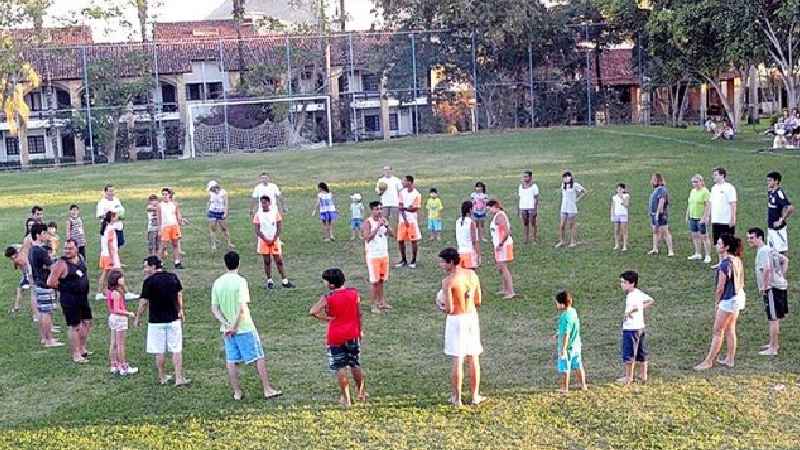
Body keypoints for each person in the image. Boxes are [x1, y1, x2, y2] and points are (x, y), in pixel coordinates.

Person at [211, 251, 282, 400]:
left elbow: (215, 309)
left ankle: (237, 392)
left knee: (232, 361)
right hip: (244, 327)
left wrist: (226, 324)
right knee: (258, 357)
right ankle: (267, 389)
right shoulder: (240, 281)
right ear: (238, 263)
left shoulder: (218, 282)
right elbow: (241, 307)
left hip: (227, 330)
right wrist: (235, 326)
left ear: (225, 264)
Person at [309, 268, 366, 407]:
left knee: (340, 367)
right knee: (355, 364)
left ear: (331, 285)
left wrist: (327, 318)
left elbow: (313, 311)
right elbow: (359, 314)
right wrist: (360, 330)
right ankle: (361, 392)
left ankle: (346, 399)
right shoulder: (353, 293)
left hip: (335, 336)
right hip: (353, 333)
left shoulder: (328, 297)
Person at [437, 247, 485, 407]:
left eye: (443, 262)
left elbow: (449, 309)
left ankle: (457, 398)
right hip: (471, 317)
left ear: (450, 262)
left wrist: (439, 305)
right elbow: (478, 300)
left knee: (457, 359)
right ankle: (475, 396)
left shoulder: (448, 282)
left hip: (456, 320)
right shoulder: (472, 275)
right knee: (473, 357)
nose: (441, 265)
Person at [134, 256, 190, 386]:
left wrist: (138, 317)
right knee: (176, 349)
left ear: (153, 266)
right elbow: (179, 294)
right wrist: (180, 310)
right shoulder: (173, 277)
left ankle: (162, 376)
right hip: (173, 319)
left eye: (146, 266)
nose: (145, 269)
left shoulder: (149, 282)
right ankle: (179, 378)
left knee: (159, 350)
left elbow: (143, 302)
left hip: (156, 321)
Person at [694, 234, 745, 370]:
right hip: (738, 297)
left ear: (726, 247)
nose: (716, 244)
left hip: (728, 300)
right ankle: (730, 359)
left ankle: (709, 361)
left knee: (718, 331)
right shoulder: (737, 260)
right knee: (730, 329)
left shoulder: (724, 264)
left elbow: (720, 288)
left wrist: (717, 303)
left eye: (719, 243)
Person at [47, 240, 93, 363]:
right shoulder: (61, 264)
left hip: (83, 297)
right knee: (75, 326)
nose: (67, 251)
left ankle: (82, 348)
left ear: (76, 249)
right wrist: (66, 288)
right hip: (70, 299)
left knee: (87, 322)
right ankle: (76, 354)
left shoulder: (80, 259)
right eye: (66, 248)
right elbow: (50, 282)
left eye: (70, 248)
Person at [747, 228, 789, 357]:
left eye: (752, 238)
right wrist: (781, 275)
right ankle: (772, 343)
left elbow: (767, 269)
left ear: (760, 238)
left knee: (773, 319)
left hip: (772, 288)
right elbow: (785, 260)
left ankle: (773, 348)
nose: (749, 240)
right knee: (774, 318)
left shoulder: (762, 252)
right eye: (748, 238)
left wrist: (764, 287)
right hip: (779, 285)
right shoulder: (769, 249)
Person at [618, 271, 654, 385]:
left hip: (630, 329)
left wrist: (630, 313)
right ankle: (644, 375)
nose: (621, 284)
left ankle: (628, 378)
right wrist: (640, 308)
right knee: (641, 353)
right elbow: (651, 300)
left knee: (629, 354)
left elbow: (633, 309)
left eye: (624, 282)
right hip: (640, 328)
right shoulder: (639, 293)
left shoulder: (631, 296)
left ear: (632, 283)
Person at [28, 223, 62, 348]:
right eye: (44, 233)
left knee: (42, 312)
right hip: (45, 285)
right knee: (46, 313)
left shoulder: (32, 249)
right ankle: (49, 340)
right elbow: (53, 267)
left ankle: (44, 338)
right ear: (39, 235)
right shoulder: (41, 251)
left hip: (38, 283)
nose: (46, 235)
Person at [253, 196, 295, 289]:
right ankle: (269, 280)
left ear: (269, 203)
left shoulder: (275, 213)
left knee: (279, 260)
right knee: (267, 261)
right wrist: (265, 239)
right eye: (262, 203)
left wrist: (274, 238)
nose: (263, 205)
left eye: (265, 203)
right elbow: (257, 229)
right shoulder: (258, 215)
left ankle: (285, 280)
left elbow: (279, 227)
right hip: (264, 241)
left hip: (274, 240)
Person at [361, 201, 393, 313]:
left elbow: (393, 235)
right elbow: (367, 238)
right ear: (372, 210)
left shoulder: (384, 221)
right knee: (374, 281)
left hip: (384, 254)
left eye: (380, 209)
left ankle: (381, 302)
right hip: (373, 255)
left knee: (381, 280)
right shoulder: (367, 222)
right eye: (377, 209)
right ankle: (373, 305)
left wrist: (387, 226)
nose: (379, 211)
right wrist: (377, 227)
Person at [106, 270, 138, 375]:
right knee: (120, 344)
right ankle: (124, 366)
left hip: (112, 318)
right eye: (122, 278)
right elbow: (116, 309)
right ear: (117, 280)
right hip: (119, 319)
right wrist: (128, 314)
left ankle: (114, 365)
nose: (124, 279)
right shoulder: (116, 294)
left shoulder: (109, 291)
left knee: (113, 343)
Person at [554, 290, 586, 393]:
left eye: (557, 303)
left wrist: (563, 348)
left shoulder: (564, 317)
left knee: (565, 368)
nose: (556, 305)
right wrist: (559, 333)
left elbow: (566, 334)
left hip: (567, 348)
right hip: (576, 345)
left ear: (562, 304)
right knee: (578, 365)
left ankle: (565, 388)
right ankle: (583, 385)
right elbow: (571, 328)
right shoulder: (573, 311)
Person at [488, 199, 514, 299]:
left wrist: (501, 243)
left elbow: (507, 232)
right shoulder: (497, 216)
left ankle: (510, 291)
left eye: (490, 208)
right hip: (498, 245)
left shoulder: (500, 216)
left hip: (502, 245)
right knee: (500, 268)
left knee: (504, 268)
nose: (489, 210)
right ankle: (504, 288)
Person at [396, 175, 422, 269]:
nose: (403, 183)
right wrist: (405, 214)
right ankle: (403, 260)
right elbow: (400, 206)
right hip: (402, 221)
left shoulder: (417, 194)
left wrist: (405, 209)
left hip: (412, 221)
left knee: (413, 241)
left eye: (404, 181)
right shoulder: (402, 192)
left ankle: (414, 260)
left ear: (410, 182)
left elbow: (415, 209)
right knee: (400, 240)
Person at [686, 174, 712, 264]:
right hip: (693, 217)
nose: (695, 184)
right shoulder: (692, 191)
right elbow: (690, 204)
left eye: (696, 182)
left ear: (701, 182)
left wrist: (705, 217)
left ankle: (708, 255)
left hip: (701, 218)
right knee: (695, 235)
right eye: (693, 182)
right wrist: (687, 214)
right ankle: (698, 253)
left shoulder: (705, 192)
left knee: (704, 236)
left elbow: (708, 205)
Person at [556, 171, 587, 248]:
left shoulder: (575, 185)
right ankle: (562, 241)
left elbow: (584, 191)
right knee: (562, 225)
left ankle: (573, 241)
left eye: (567, 177)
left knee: (571, 225)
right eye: (564, 177)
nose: (566, 179)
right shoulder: (563, 185)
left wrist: (577, 199)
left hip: (571, 208)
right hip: (563, 207)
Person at [708, 167, 737, 246]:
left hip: (726, 221)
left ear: (722, 175)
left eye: (715, 175)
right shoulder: (714, 188)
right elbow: (710, 203)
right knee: (718, 244)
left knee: (728, 244)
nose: (713, 177)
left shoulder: (729, 187)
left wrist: (732, 218)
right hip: (716, 220)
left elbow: (733, 203)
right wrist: (708, 216)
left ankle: (730, 258)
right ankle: (721, 258)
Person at [647, 173, 674, 256]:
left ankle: (670, 250)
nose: (652, 181)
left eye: (654, 180)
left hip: (661, 214)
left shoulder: (662, 190)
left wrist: (658, 213)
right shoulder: (655, 190)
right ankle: (655, 249)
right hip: (653, 214)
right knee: (655, 231)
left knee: (665, 232)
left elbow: (661, 202)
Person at [767, 172, 794, 254]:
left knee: (781, 253)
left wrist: (781, 220)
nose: (768, 182)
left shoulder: (779, 193)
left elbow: (790, 208)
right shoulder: (771, 191)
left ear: (776, 181)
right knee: (771, 252)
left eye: (770, 180)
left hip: (778, 229)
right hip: (771, 228)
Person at [157, 187, 184, 269]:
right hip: (165, 227)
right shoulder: (160, 205)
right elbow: (159, 218)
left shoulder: (174, 204)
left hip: (174, 226)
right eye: (163, 195)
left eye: (166, 194)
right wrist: (159, 229)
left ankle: (177, 262)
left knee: (175, 244)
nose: (164, 196)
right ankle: (159, 263)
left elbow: (178, 214)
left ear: (170, 195)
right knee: (163, 246)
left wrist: (180, 220)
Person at [98, 211, 121, 296]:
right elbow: (110, 245)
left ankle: (103, 291)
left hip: (104, 254)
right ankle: (101, 292)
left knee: (105, 274)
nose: (117, 218)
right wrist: (112, 258)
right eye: (115, 217)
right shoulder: (110, 229)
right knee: (109, 274)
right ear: (111, 218)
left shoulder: (106, 227)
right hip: (109, 255)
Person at [207, 180, 234, 252]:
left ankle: (229, 243)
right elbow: (210, 202)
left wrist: (225, 213)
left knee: (224, 228)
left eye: (211, 188)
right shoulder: (211, 193)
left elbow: (226, 204)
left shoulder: (223, 192)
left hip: (221, 212)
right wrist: (207, 210)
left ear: (215, 187)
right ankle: (213, 245)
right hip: (212, 212)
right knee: (213, 228)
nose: (210, 190)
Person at [96, 184, 125, 248]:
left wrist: (117, 217)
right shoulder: (102, 202)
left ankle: (115, 255)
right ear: (106, 192)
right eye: (110, 191)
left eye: (113, 191)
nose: (112, 193)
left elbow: (121, 211)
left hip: (118, 226)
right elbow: (100, 215)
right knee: (110, 244)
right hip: (108, 227)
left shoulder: (116, 200)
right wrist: (110, 218)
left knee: (120, 242)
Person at [5, 245, 30, 315]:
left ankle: (16, 307)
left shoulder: (18, 260)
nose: (10, 259)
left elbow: (17, 266)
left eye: (10, 257)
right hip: (26, 274)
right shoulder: (20, 253)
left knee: (20, 290)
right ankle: (16, 306)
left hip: (27, 275)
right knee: (20, 290)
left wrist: (15, 262)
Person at [455, 201, 480, 269]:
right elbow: (474, 240)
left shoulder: (458, 221)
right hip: (469, 252)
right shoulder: (471, 222)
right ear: (470, 210)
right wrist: (478, 255)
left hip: (460, 252)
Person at [518, 170, 540, 244]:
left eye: (526, 177)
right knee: (525, 223)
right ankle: (526, 239)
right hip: (523, 207)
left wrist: (535, 208)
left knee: (533, 223)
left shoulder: (534, 186)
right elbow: (520, 197)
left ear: (530, 177)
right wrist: (519, 209)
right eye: (523, 177)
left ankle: (534, 239)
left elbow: (536, 198)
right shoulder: (521, 186)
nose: (524, 178)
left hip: (531, 207)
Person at [610, 183, 630, 251]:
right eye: (618, 189)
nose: (619, 190)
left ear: (624, 189)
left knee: (624, 230)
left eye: (621, 189)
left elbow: (626, 205)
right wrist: (612, 215)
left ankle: (624, 245)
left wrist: (622, 198)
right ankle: (617, 244)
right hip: (616, 215)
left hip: (623, 215)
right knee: (616, 230)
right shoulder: (614, 197)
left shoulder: (626, 196)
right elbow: (613, 206)